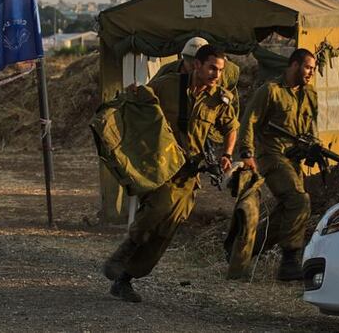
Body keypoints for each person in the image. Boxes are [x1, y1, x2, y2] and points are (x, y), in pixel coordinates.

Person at [102, 45, 238, 302]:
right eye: (211, 67)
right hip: (161, 166)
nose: (216, 74)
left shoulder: (219, 99)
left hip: (189, 174)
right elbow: (139, 103)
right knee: (156, 209)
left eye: (220, 70)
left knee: (166, 229)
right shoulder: (168, 85)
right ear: (196, 64)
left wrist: (227, 154)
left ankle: (125, 279)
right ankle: (124, 251)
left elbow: (231, 126)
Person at [238, 48, 318, 281]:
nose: (310, 73)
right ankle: (290, 261)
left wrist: (313, 147)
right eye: (307, 67)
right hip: (270, 155)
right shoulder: (270, 91)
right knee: (298, 200)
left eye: (313, 69)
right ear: (293, 65)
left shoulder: (310, 94)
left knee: (287, 208)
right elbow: (249, 121)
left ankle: (247, 249)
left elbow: (311, 126)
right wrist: (246, 153)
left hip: (293, 158)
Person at [153, 36, 241, 114]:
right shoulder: (168, 72)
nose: (196, 68)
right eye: (191, 65)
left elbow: (232, 105)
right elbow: (148, 95)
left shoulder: (223, 74)